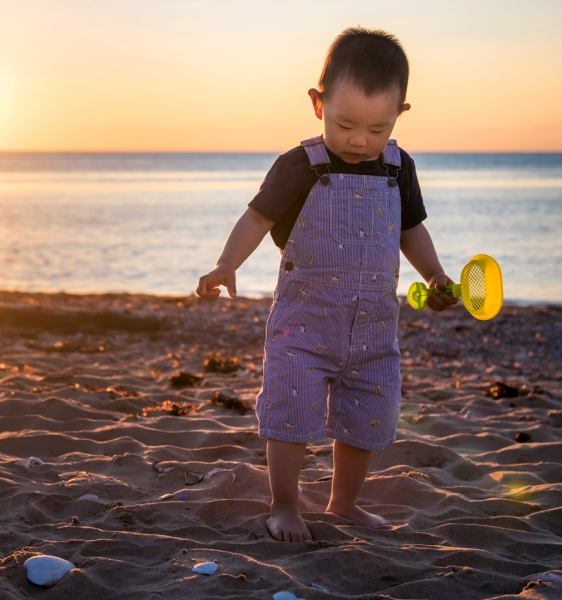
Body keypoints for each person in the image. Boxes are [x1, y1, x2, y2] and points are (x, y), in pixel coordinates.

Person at [195, 27, 456, 543]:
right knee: (289, 413)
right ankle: (285, 504)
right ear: (318, 105)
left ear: (401, 114)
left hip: (375, 330)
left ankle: (344, 503)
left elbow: (410, 230)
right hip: (304, 326)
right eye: (346, 124)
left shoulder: (399, 169)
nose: (360, 140)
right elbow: (256, 217)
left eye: (377, 128)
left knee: (367, 415)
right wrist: (227, 264)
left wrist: (435, 274)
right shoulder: (300, 166)